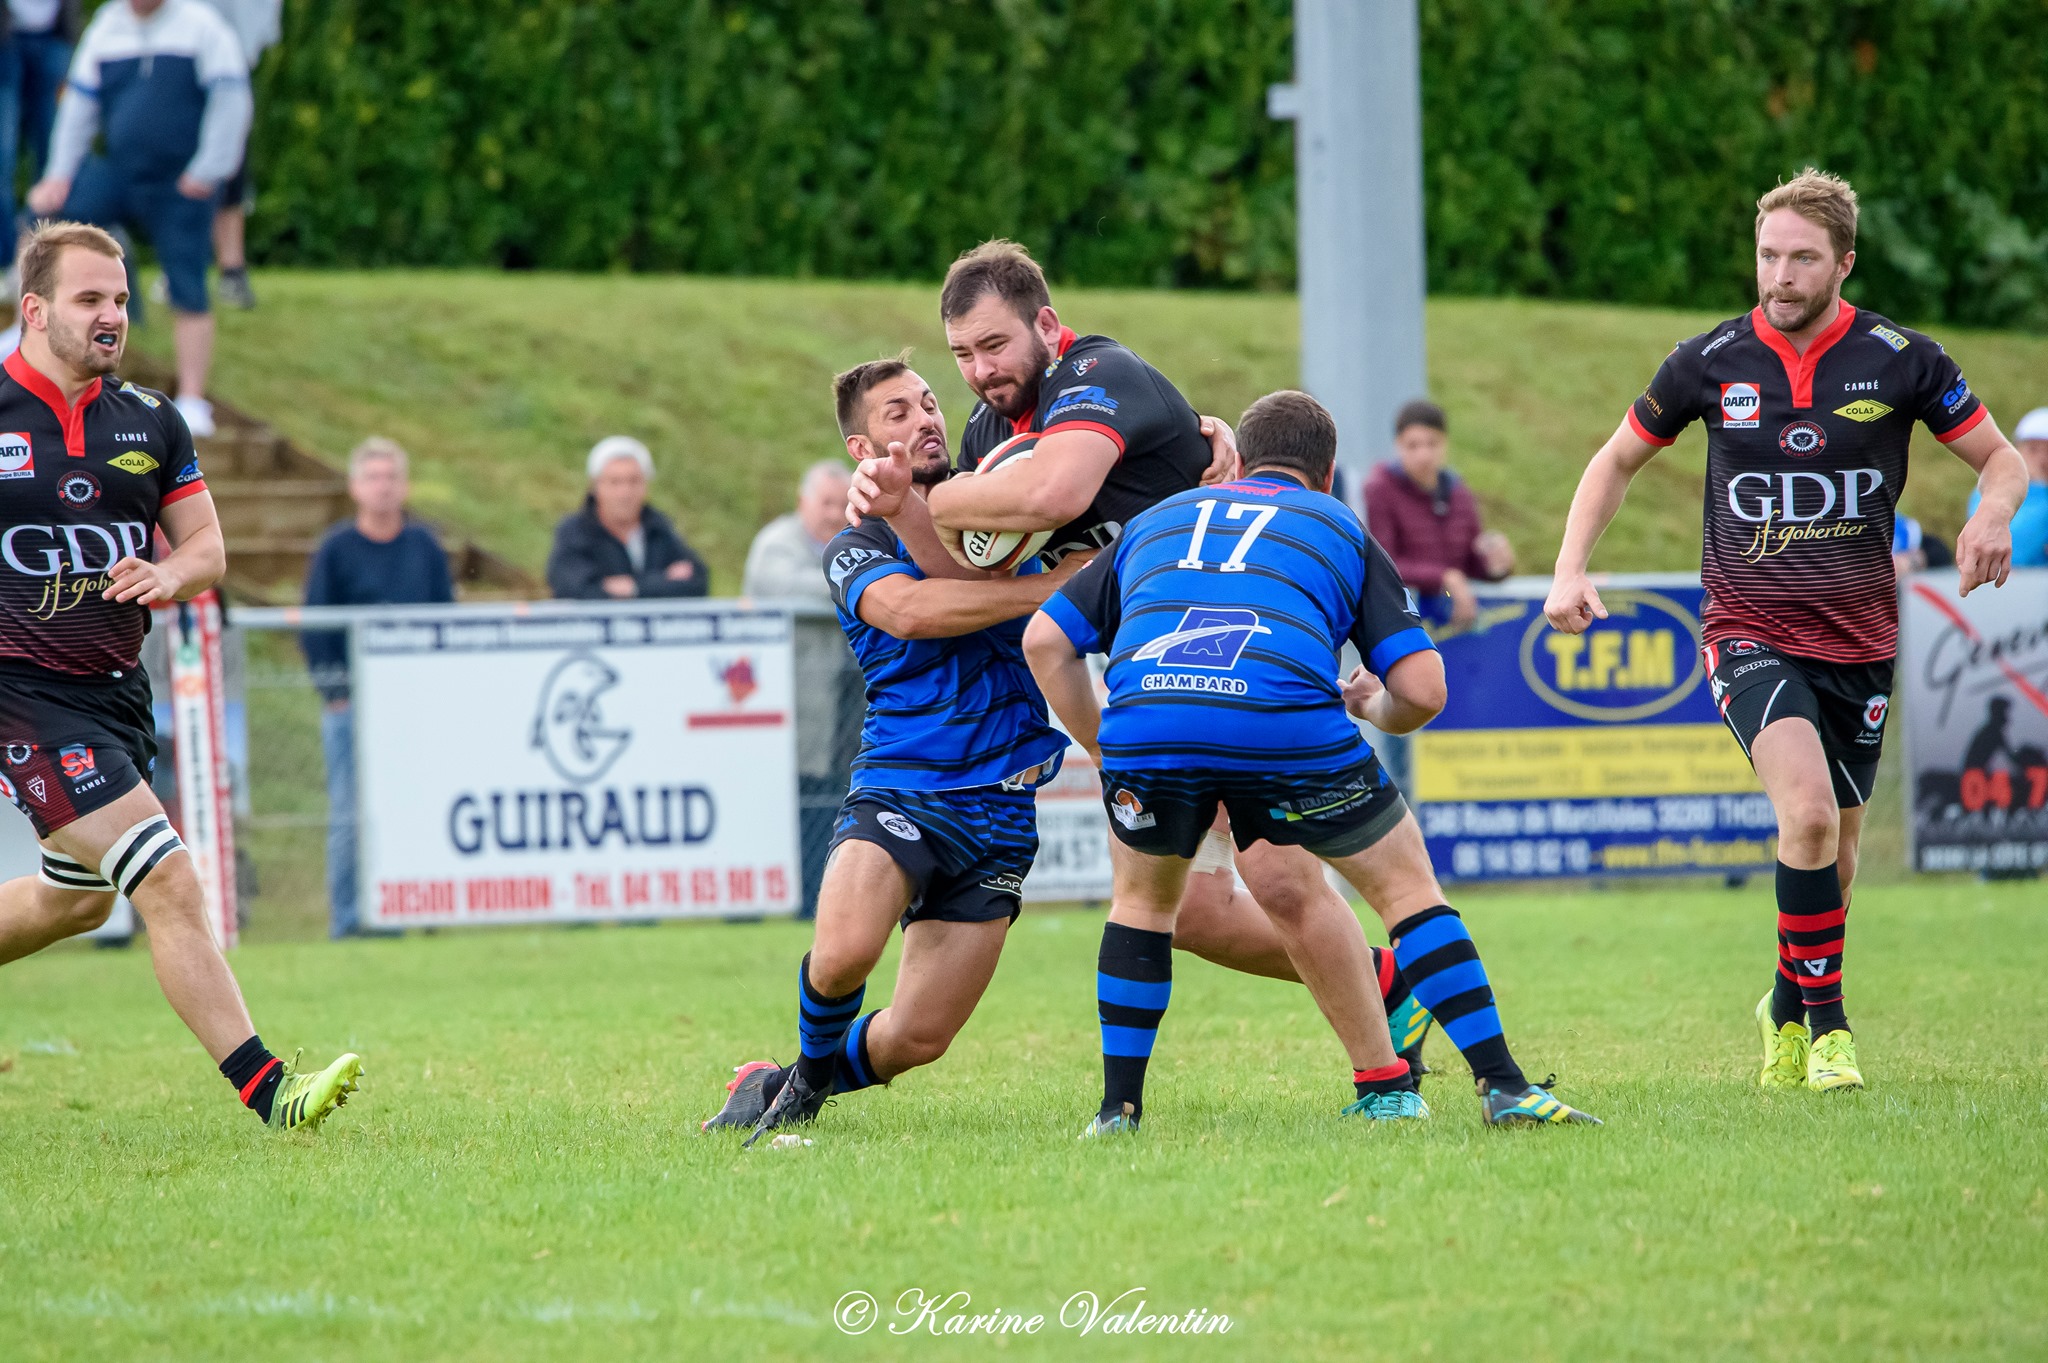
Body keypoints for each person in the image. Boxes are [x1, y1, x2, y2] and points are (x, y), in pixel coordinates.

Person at [707, 361, 1427, 1141]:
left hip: (1001, 809)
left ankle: (1384, 981)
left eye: (927, 402)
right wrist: (1059, 587)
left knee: (918, 1036)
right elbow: (913, 609)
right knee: (845, 953)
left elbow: (1130, 478)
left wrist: (1214, 442)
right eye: (897, 413)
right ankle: (800, 1087)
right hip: (902, 785)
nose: (925, 418)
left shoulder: (1007, 503)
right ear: (861, 447)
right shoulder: (857, 543)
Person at [852, 239, 1441, 1104]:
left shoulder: (1100, 374)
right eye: (963, 354)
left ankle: (1381, 1073)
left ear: (1047, 325)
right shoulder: (989, 431)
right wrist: (906, 508)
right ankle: (1390, 985)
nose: (979, 372)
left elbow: (1053, 495)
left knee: (1278, 878)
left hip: (1237, 650)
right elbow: (980, 573)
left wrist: (930, 498)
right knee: (1196, 911)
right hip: (1154, 683)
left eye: (995, 345)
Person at [1545, 168, 2028, 1094]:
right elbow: (1614, 461)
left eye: (1802, 258)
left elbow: (2001, 459)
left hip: (1860, 641)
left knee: (1834, 860)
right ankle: (1829, 1030)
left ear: (1844, 263)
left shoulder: (1904, 359)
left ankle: (1784, 1001)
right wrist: (1569, 567)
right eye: (1768, 256)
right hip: (1747, 629)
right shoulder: (1708, 361)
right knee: (1804, 813)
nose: (1780, 276)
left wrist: (1993, 514)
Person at [1027, 390, 1600, 1132]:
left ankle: (1118, 1112)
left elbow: (1045, 640)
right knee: (1405, 889)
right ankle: (1502, 1086)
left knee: (1142, 906)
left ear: (1239, 463)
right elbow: (1423, 691)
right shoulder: (1335, 523)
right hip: (1282, 725)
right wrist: (1371, 707)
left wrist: (1110, 748)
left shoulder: (1156, 519)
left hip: (1151, 722)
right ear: (1326, 475)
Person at [0, 221, 360, 1130]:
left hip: (115, 695)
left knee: (70, 903)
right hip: (23, 697)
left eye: (121, 299)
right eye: (90, 299)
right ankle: (271, 1090)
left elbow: (206, 547)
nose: (112, 315)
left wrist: (169, 575)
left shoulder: (150, 420)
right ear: (33, 310)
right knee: (166, 878)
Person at [26, 0, 251, 439]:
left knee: (187, 283)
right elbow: (79, 106)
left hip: (181, 182)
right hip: (120, 172)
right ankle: (27, 342)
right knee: (43, 221)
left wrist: (210, 168)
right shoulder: (107, 26)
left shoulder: (202, 26)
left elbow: (232, 99)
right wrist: (58, 175)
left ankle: (192, 399)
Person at [300, 436, 453, 939]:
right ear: (355, 487)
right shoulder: (336, 550)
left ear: (405, 486)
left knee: (423, 803)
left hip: (417, 706)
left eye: (391, 477)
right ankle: (349, 919)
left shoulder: (425, 548)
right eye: (373, 477)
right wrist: (335, 692)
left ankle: (425, 908)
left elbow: (445, 619)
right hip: (354, 706)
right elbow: (316, 626)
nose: (383, 487)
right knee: (349, 810)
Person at [744, 458, 859, 915]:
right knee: (778, 804)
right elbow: (789, 588)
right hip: (783, 711)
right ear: (802, 502)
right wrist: (864, 585)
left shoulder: (857, 539)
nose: (833, 513)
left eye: (841, 503)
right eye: (825, 503)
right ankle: (754, 906)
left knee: (830, 799)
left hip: (844, 708)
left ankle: (815, 902)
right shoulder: (776, 544)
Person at [1363, 399, 1514, 632]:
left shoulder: (1458, 491)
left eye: (1432, 443)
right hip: (1402, 623)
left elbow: (1470, 562)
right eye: (1413, 445)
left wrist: (1496, 564)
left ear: (1445, 444)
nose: (1423, 455)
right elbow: (1384, 564)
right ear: (1398, 446)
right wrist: (1445, 577)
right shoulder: (1380, 490)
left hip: (1454, 623)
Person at [546, 435, 709, 600]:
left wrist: (634, 587)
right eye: (614, 482)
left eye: (634, 481)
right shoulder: (576, 532)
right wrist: (662, 582)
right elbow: (573, 588)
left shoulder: (658, 529)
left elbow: (697, 582)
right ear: (595, 486)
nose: (624, 493)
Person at [193, 0, 277, 310]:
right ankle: (184, 264)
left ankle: (231, 269)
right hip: (184, 64)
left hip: (229, 65)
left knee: (230, 167)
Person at [0, 1, 83, 264]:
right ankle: (6, 258)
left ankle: (45, 253)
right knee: (3, 155)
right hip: (5, 40)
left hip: (55, 35)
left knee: (55, 156)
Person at [1969, 406, 2048, 568]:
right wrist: (2038, 486)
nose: (2042, 459)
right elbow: (2015, 547)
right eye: (2033, 450)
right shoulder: (1988, 491)